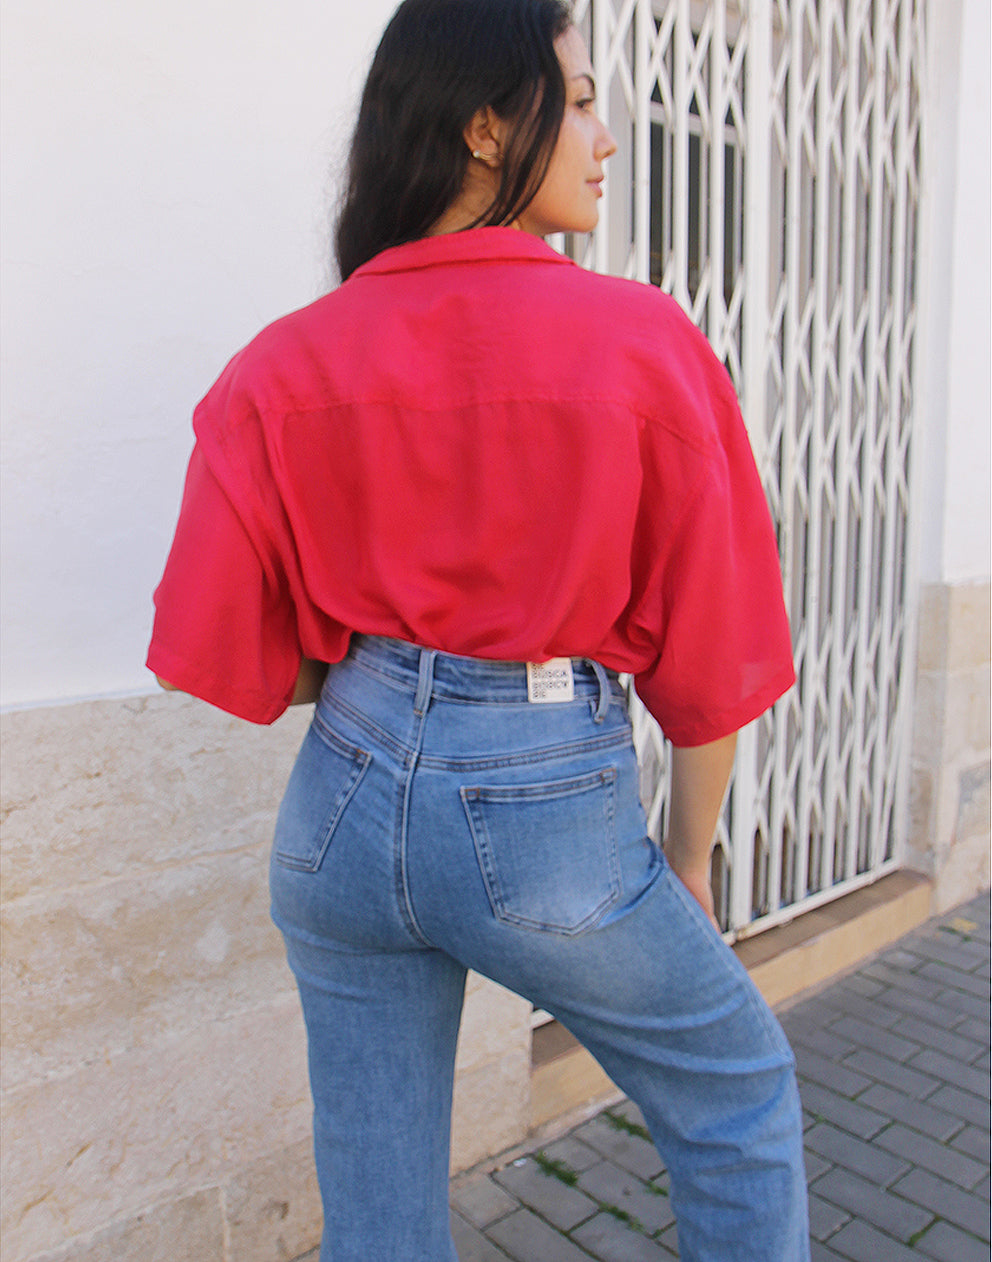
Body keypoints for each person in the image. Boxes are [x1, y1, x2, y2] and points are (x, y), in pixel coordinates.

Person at [147, 1, 810, 1257]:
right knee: (732, 1091)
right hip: (543, 809)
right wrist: (689, 857)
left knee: (379, 1205)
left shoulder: (281, 365)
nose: (606, 133)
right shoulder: (640, 343)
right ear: (487, 124)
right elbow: (711, 662)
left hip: (336, 818)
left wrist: (390, 667)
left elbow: (253, 663)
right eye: (583, 95)